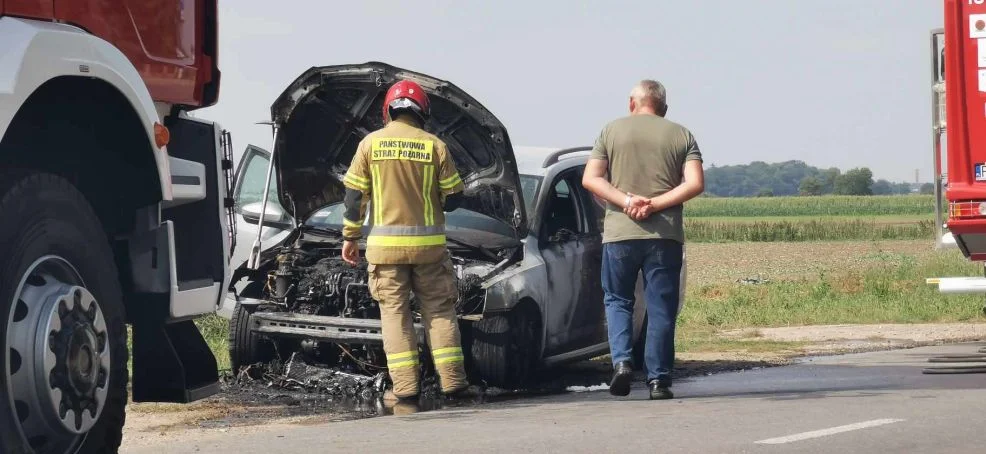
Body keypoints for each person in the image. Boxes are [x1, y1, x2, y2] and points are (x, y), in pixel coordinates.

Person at [340, 79, 470, 402]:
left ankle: (406, 389)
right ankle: (453, 381)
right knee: (439, 312)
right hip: (429, 251)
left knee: (395, 317)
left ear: (389, 110)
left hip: (385, 253)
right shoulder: (434, 146)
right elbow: (454, 197)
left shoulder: (369, 145)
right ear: (422, 111)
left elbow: (354, 198)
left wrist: (350, 237)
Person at [582, 79, 704, 400]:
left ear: (632, 103)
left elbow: (590, 178)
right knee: (661, 307)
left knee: (619, 300)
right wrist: (656, 205)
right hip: (664, 235)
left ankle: (622, 363)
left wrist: (626, 202)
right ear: (663, 107)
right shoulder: (681, 135)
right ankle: (658, 381)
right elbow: (694, 183)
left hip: (620, 234)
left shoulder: (610, 131)